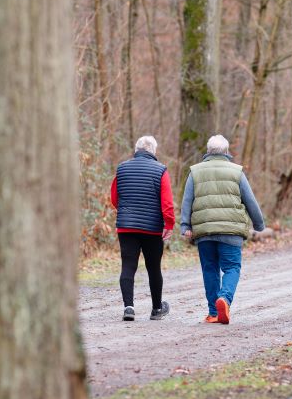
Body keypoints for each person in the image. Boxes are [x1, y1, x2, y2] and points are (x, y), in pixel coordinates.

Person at [180, 135, 265, 324]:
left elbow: (187, 200)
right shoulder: (237, 172)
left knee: (209, 269)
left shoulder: (195, 171)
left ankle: (213, 313)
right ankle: (224, 299)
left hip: (204, 231)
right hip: (231, 230)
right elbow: (250, 200)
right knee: (231, 267)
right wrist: (259, 224)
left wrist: (185, 225)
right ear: (226, 152)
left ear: (208, 151)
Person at [109, 135, 174, 321]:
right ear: (154, 151)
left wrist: (126, 214)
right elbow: (167, 202)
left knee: (128, 266)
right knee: (154, 268)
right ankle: (156, 309)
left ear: (136, 149)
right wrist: (168, 224)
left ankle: (128, 308)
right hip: (152, 228)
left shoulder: (121, 169)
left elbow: (115, 198)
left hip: (126, 227)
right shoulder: (161, 170)